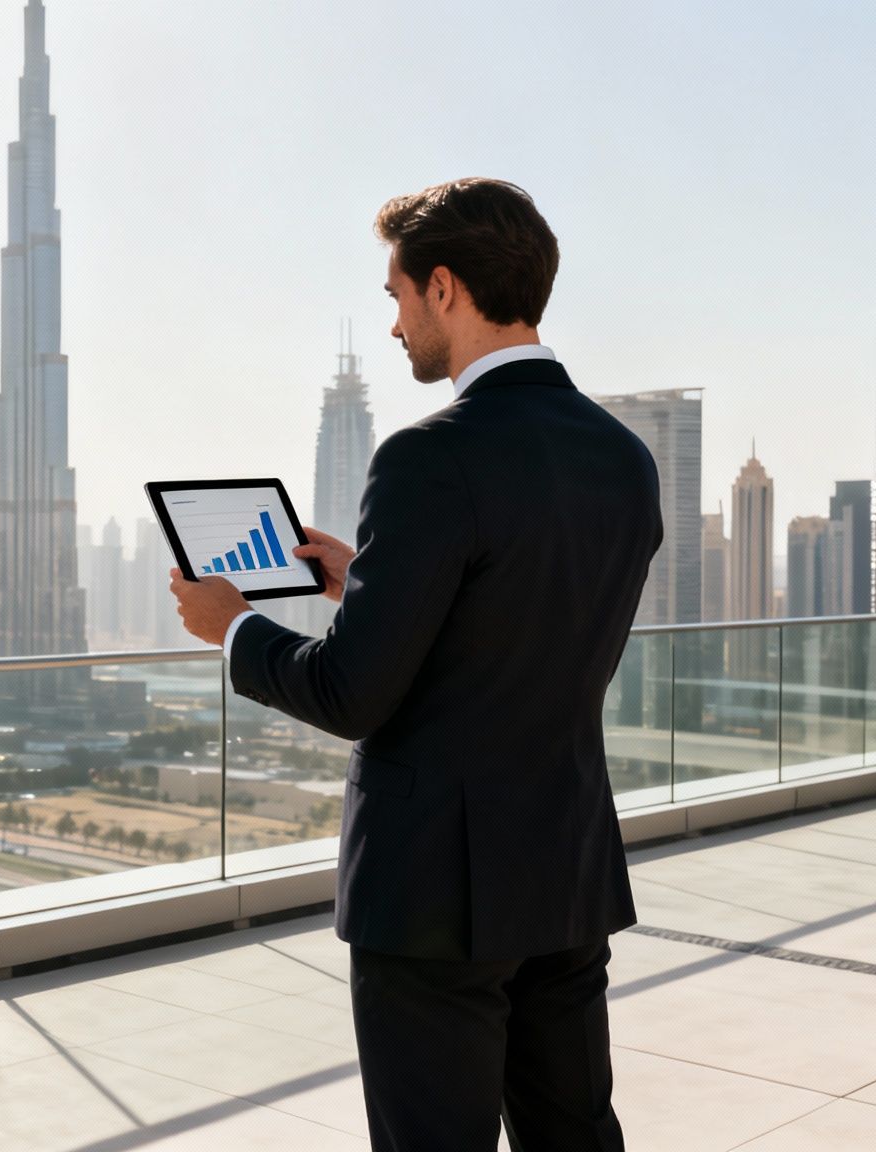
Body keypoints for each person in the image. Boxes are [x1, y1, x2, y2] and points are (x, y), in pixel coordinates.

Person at [167, 177, 659, 1151]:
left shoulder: (429, 456)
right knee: (574, 1134)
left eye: (394, 295)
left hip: (433, 895)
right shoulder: (621, 455)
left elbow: (350, 693)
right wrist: (372, 590)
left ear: (443, 287)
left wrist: (230, 627)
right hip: (561, 869)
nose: (393, 325)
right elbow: (520, 622)